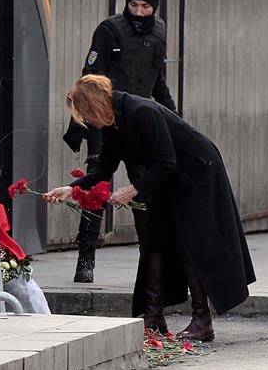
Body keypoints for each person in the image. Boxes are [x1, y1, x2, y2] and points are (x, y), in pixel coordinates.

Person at [47, 74, 255, 340]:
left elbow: (166, 161)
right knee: (154, 241)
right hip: (165, 178)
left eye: (86, 114)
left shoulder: (141, 112)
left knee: (189, 244)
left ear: (96, 105)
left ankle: (202, 321)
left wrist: (133, 190)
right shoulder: (112, 123)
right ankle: (153, 317)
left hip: (196, 170)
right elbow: (105, 168)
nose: (86, 121)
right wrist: (72, 189)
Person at [62, 0, 176, 283]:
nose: (138, 12)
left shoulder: (161, 32)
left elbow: (159, 80)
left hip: (141, 122)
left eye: (145, 7)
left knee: (143, 189)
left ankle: (149, 262)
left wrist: (174, 119)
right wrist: (79, 125)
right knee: (98, 188)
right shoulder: (110, 30)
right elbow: (88, 80)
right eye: (133, 4)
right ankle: (86, 259)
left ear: (155, 7)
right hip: (105, 119)